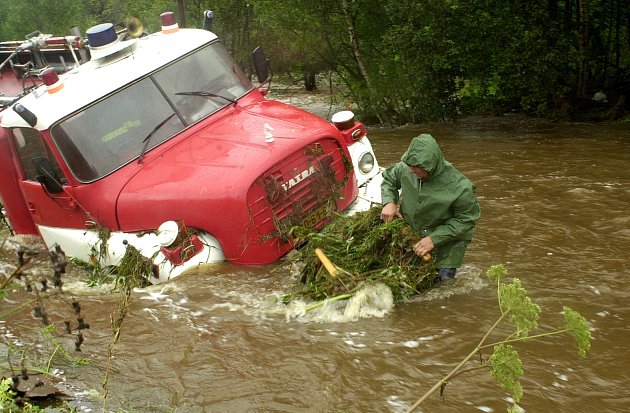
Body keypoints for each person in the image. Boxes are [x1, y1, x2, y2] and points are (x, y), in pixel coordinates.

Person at [380, 134, 480, 283]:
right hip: (413, 237)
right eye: (409, 165)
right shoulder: (406, 167)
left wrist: (434, 239)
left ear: (430, 167)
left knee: (441, 290)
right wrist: (389, 202)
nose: (411, 171)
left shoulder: (461, 187)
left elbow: (466, 221)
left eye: (416, 167)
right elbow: (389, 180)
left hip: (447, 247)